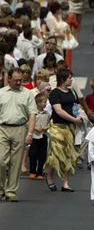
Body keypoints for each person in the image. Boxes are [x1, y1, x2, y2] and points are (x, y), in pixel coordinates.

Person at [0, 68, 37, 202]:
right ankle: (0, 189)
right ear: (9, 78)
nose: (18, 83)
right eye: (15, 80)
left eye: (20, 80)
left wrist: (30, 133)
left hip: (20, 128)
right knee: (1, 160)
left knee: (16, 162)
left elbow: (32, 114)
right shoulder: (1, 93)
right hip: (2, 128)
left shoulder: (27, 94)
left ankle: (11, 192)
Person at [45, 69, 83, 192]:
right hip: (57, 126)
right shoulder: (55, 93)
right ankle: (50, 176)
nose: (71, 80)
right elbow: (59, 111)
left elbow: (77, 105)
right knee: (56, 152)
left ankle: (66, 183)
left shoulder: (72, 91)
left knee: (70, 154)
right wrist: (74, 119)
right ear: (62, 79)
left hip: (70, 127)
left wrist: (80, 115)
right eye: (69, 78)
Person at [29, 93, 50, 180]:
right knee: (33, 154)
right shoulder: (33, 113)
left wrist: (46, 127)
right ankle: (32, 171)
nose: (45, 104)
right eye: (44, 102)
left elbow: (50, 123)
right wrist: (35, 127)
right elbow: (29, 123)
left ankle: (40, 171)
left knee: (42, 155)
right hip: (34, 136)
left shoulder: (47, 114)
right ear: (38, 103)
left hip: (43, 136)